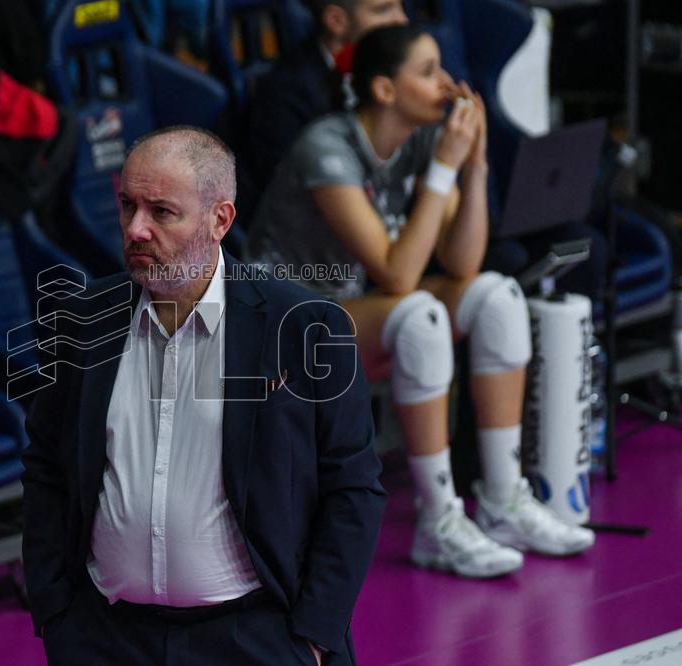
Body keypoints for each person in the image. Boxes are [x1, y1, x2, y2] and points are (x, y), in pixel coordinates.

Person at [22, 126, 386, 665]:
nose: (135, 229)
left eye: (162, 212)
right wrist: (56, 613)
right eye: (127, 205)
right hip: (105, 637)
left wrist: (314, 634)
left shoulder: (305, 327)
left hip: (256, 638)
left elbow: (353, 487)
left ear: (220, 219)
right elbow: (47, 467)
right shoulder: (82, 320)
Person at [248, 25, 594, 578]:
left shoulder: (421, 144)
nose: (449, 85)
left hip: (353, 313)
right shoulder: (327, 147)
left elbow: (463, 264)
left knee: (496, 296)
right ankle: (439, 521)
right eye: (428, 71)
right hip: (280, 324)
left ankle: (504, 501)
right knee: (421, 316)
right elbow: (399, 272)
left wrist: (473, 167)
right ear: (385, 90)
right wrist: (442, 170)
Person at [244, 0, 407, 197]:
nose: (402, 20)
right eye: (384, 10)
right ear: (336, 20)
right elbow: (293, 192)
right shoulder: (286, 93)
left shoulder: (394, 73)